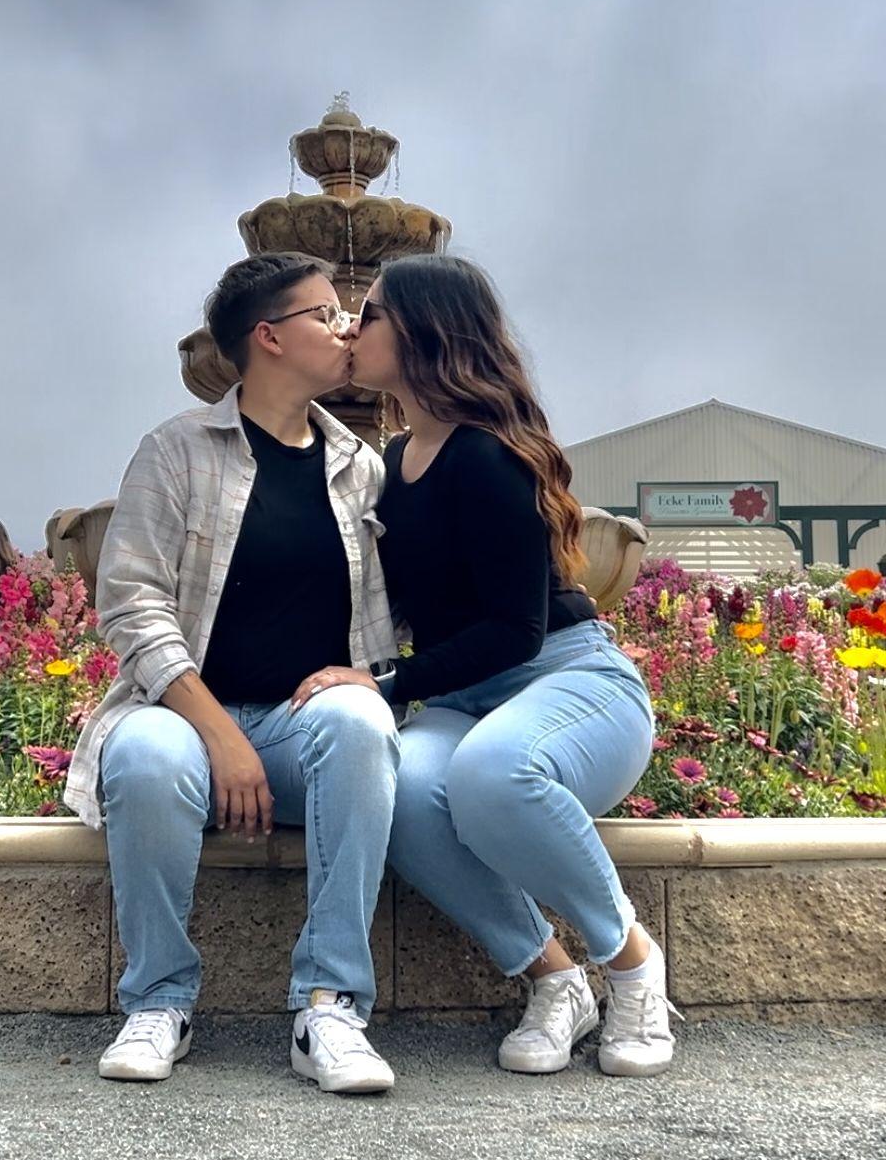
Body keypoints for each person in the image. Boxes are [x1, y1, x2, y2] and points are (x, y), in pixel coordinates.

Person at [291, 254, 679, 1079]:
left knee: (493, 772)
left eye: (372, 314)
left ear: (424, 332)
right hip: (464, 697)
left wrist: (386, 684)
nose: (352, 328)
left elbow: (515, 629)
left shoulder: (489, 456)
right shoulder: (393, 462)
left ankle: (633, 964)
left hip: (567, 679)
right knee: (397, 794)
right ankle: (555, 979)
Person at [63, 252, 401, 1093]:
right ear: (269, 337)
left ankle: (329, 1005)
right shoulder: (177, 451)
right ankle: (158, 999)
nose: (347, 329)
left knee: (363, 723)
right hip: (184, 720)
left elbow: (395, 617)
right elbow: (131, 604)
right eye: (326, 314)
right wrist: (220, 735)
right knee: (144, 755)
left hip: (300, 728)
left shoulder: (359, 465)